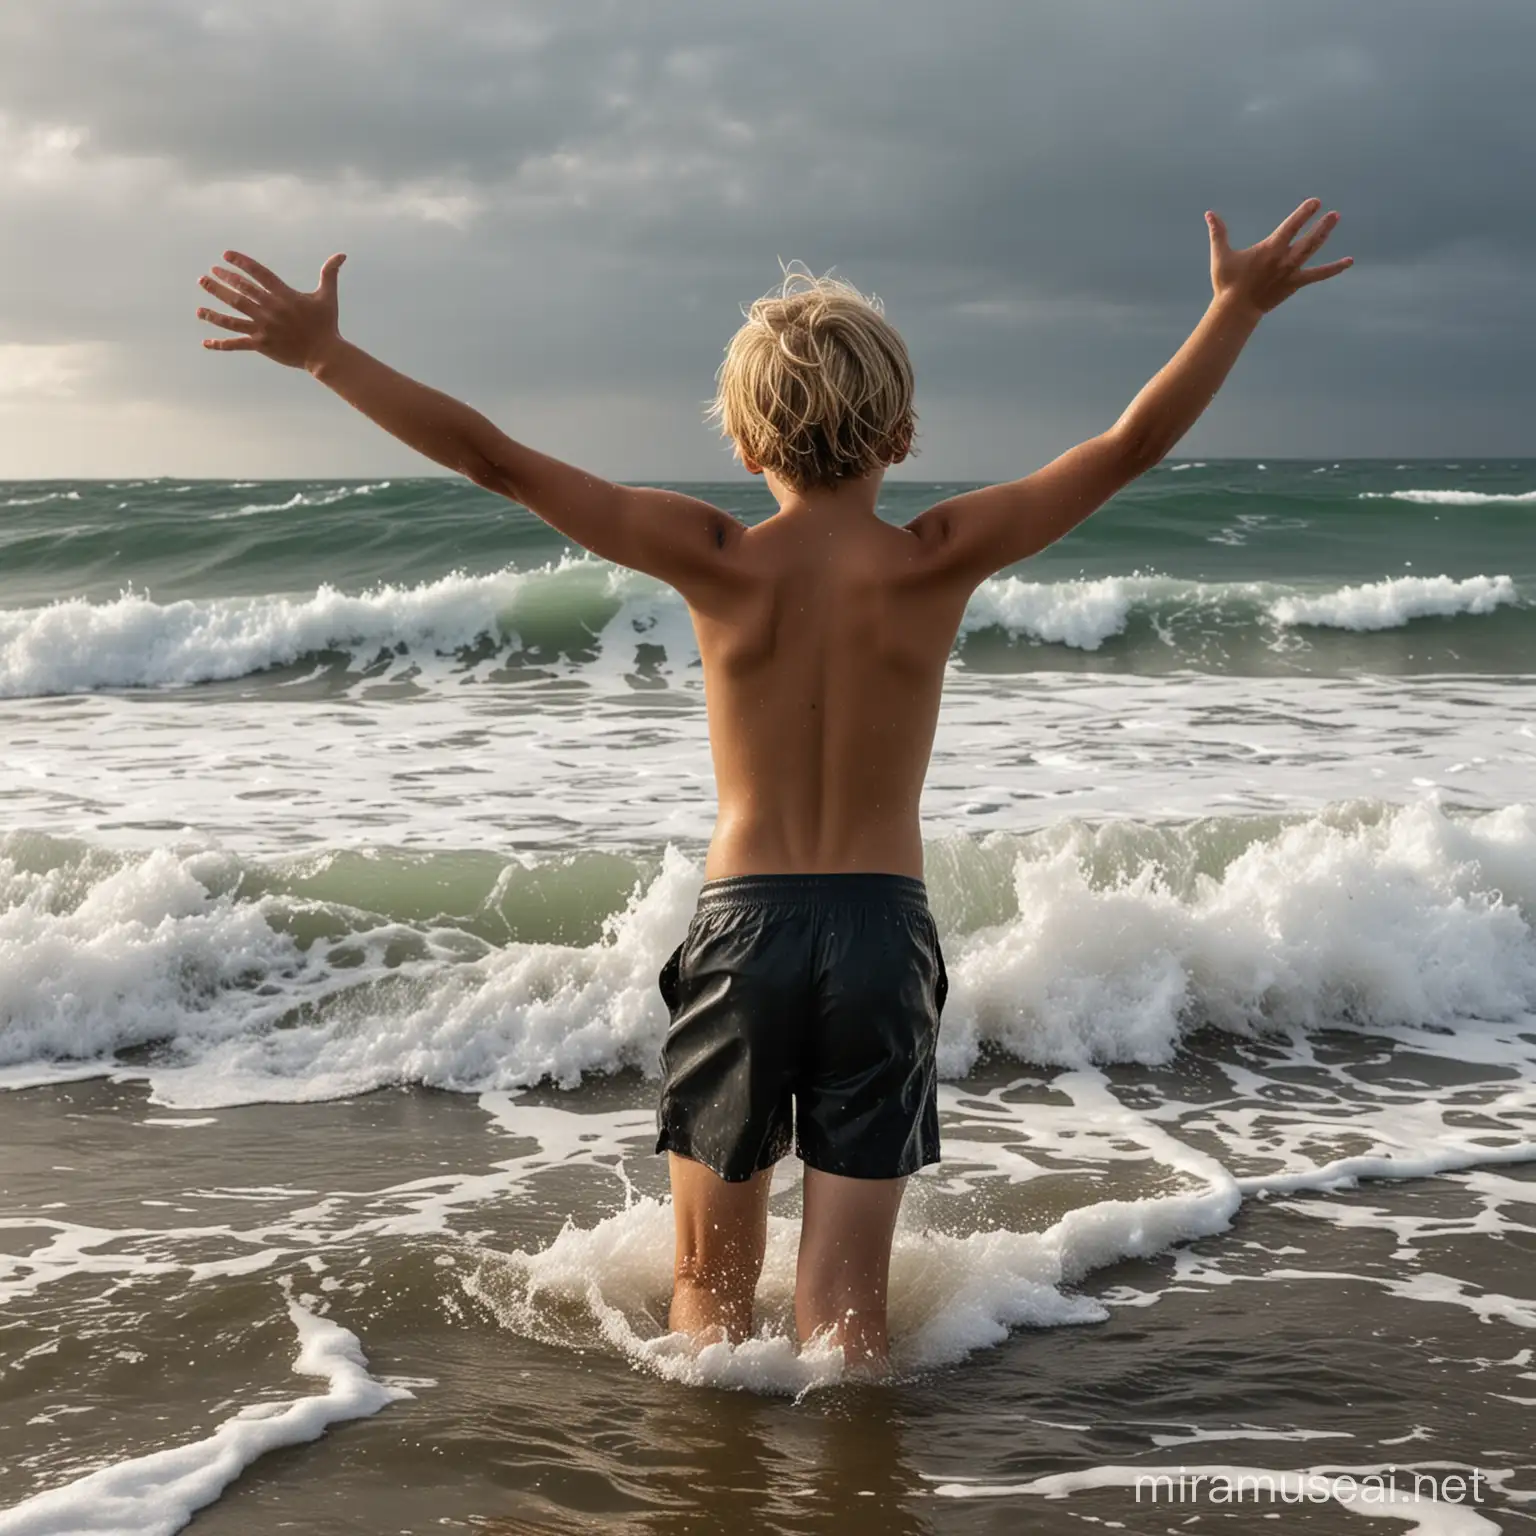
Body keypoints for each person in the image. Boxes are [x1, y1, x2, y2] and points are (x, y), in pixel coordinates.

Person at [196, 198, 1351, 1370]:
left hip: (742, 931)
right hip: (879, 933)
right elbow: (1130, 448)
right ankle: (851, 1478)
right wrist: (1232, 309)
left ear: (743, 446)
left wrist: (326, 354)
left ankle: (713, 1482)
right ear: (902, 434)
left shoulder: (715, 559)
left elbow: (492, 458)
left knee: (709, 1280)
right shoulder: (937, 559)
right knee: (847, 1301)